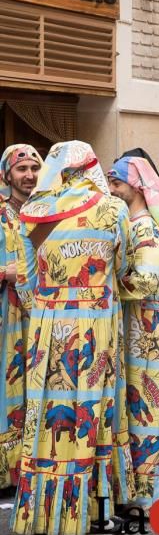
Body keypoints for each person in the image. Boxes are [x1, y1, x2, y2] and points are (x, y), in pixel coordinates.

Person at [11, 141, 135, 535]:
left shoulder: (33, 213)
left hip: (47, 330)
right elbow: (124, 265)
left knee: (46, 418)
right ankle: (94, 514)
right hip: (95, 328)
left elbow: (27, 283)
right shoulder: (114, 209)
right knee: (91, 415)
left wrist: (48, 310)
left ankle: (41, 514)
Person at [107, 156, 159, 512]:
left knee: (145, 403)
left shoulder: (144, 227)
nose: (111, 189)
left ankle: (146, 490)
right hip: (139, 324)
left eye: (117, 183)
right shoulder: (134, 222)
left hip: (146, 330)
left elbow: (149, 280)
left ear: (136, 186)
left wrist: (107, 284)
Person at [0, 145, 43, 489]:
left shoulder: (45, 211)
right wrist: (4, 273)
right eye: (21, 169)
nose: (28, 175)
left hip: (38, 314)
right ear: (7, 174)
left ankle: (28, 464)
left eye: (34, 168)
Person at [117, 148, 159, 317]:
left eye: (117, 183)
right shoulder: (126, 217)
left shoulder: (152, 220)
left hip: (147, 307)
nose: (110, 189)